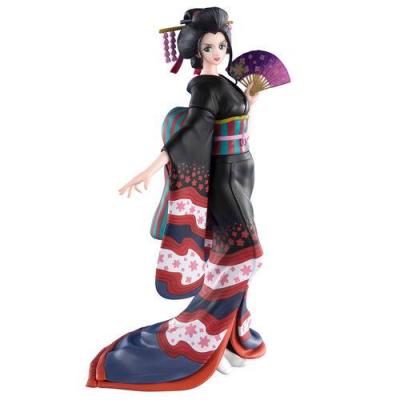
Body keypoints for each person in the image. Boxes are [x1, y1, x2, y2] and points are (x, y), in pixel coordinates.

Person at [86, 7, 265, 391]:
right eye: (208, 47)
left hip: (242, 173)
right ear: (195, 51)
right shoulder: (204, 87)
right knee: (246, 257)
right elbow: (191, 132)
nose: (217, 53)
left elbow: (236, 118)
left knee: (230, 258)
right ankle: (201, 338)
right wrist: (153, 167)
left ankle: (228, 339)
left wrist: (250, 99)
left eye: (221, 46)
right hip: (225, 180)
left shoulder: (227, 82)